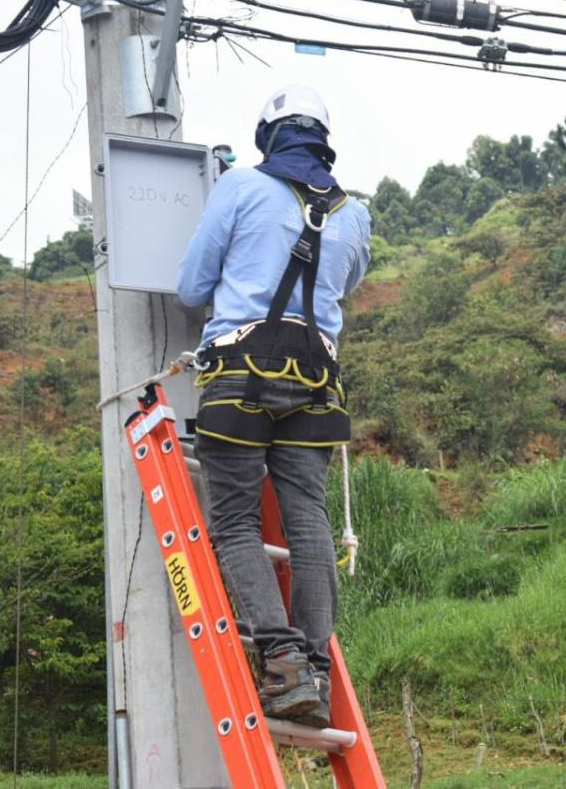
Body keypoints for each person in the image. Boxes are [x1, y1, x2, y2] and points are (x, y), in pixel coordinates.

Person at [176, 84, 371, 729]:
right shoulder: (354, 214)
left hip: (240, 375)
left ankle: (282, 663)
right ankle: (313, 668)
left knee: (235, 521)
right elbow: (343, 282)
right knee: (308, 521)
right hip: (317, 381)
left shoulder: (239, 186)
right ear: (322, 141)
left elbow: (191, 287)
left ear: (268, 136)